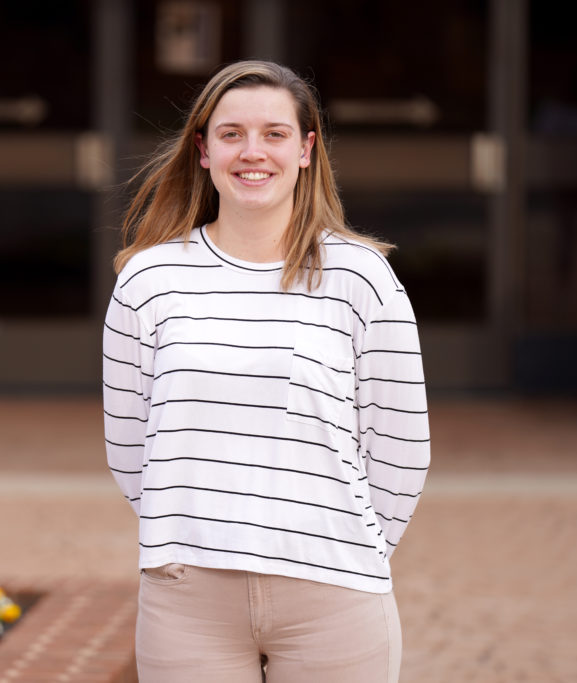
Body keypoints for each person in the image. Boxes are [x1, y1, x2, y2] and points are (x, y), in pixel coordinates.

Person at [102, 60, 430, 683]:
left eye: (275, 134)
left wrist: (342, 544)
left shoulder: (362, 279)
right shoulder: (148, 281)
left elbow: (401, 449)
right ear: (203, 150)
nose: (253, 152)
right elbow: (129, 451)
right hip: (189, 603)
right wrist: (199, 536)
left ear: (307, 150)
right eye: (232, 134)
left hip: (334, 597)